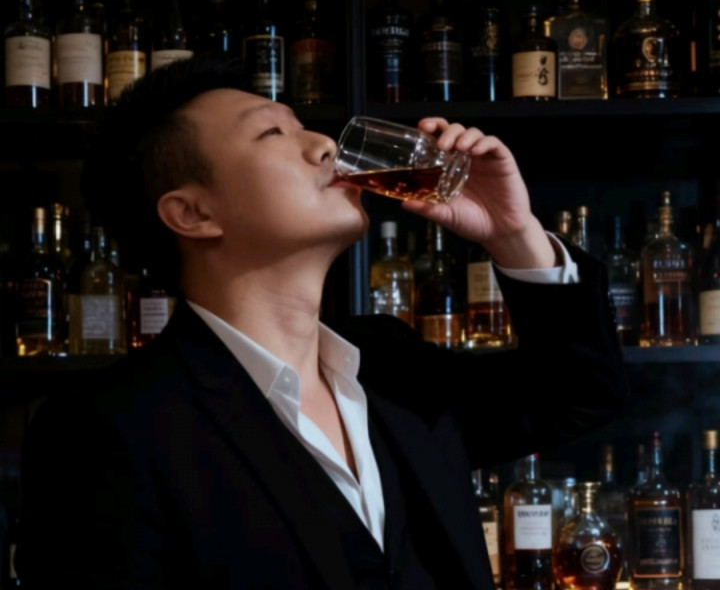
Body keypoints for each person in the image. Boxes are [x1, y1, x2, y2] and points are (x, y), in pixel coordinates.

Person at [15, 55, 626, 589]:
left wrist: (513, 234)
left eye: (303, 123)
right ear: (193, 213)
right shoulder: (107, 428)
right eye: (272, 132)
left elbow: (578, 393)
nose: (326, 145)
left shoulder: (392, 365)